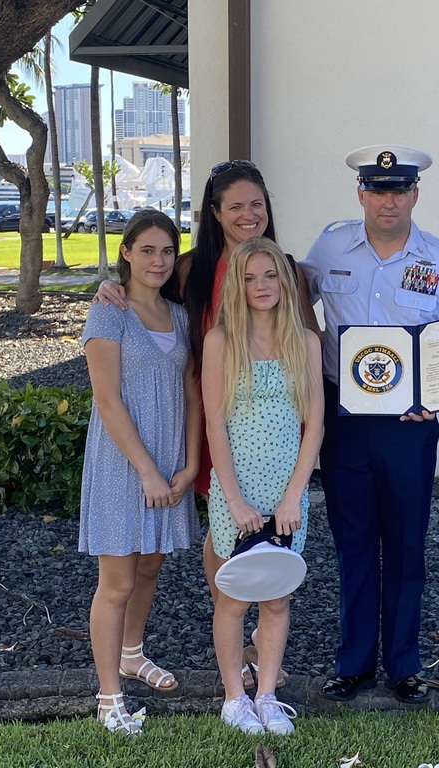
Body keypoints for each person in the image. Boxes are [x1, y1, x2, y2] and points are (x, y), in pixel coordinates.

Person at [95, 161, 318, 688]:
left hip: (266, 428)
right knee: (221, 526)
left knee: (251, 527)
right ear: (215, 213)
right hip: (199, 417)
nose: (248, 214)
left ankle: (253, 646)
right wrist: (108, 287)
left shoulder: (283, 268)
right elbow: (142, 289)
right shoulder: (190, 268)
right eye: (235, 205)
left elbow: (308, 342)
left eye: (257, 203)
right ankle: (229, 621)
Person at [302, 145, 439, 704]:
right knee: (353, 542)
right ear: (360, 194)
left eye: (400, 189)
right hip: (344, 421)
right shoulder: (331, 246)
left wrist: (437, 398)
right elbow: (283, 293)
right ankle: (352, 661)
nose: (389, 199)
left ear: (416, 195)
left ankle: (403, 664)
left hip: (409, 426)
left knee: (405, 546)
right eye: (377, 189)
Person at [79, 210, 202, 734]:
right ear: (126, 252)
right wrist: (148, 471)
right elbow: (106, 399)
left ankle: (132, 653)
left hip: (170, 460)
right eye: (147, 250)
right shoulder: (109, 312)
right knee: (118, 581)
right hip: (123, 463)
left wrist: (190, 463)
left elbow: (193, 394)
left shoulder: (179, 316)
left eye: (167, 251)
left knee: (150, 566)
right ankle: (109, 696)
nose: (158, 260)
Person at [202, 237, 324, 734]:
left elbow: (314, 424)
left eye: (269, 276)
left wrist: (296, 492)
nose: (261, 286)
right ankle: (235, 697)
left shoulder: (306, 342)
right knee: (233, 597)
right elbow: (214, 423)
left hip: (287, 491)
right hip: (237, 489)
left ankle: (268, 694)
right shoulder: (221, 341)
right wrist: (232, 497)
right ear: (238, 284)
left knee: (276, 596)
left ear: (283, 280)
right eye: (249, 278)